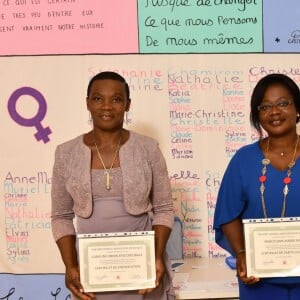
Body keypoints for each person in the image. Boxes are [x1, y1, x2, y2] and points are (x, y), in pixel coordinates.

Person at [51, 71, 175, 300]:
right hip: (91, 273)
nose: (107, 106)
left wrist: (156, 257)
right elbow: (60, 216)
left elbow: (165, 209)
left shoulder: (148, 148)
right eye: (98, 98)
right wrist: (70, 266)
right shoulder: (66, 153)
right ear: (87, 103)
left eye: (116, 99)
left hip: (142, 269)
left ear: (128, 105)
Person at [213, 73, 300, 300]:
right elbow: (228, 215)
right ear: (257, 115)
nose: (274, 112)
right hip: (260, 282)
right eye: (265, 107)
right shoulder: (244, 159)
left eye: (283, 103)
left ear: (297, 108)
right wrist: (241, 254)